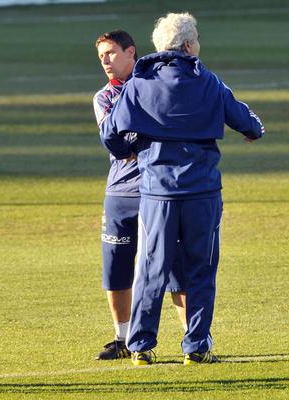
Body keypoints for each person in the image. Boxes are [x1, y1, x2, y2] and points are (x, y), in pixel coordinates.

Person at [101, 13, 264, 365]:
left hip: (156, 191)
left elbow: (110, 132)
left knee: (150, 268)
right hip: (202, 190)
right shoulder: (208, 80)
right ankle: (197, 346)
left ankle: (141, 346)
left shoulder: (139, 82)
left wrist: (129, 151)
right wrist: (254, 131)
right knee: (200, 270)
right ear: (189, 45)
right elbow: (247, 123)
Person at [93, 30, 188, 360]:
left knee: (176, 270)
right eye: (101, 56)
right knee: (116, 268)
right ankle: (122, 339)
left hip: (160, 190)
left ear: (131, 52)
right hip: (120, 193)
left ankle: (193, 341)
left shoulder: (155, 86)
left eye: (111, 53)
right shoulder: (104, 97)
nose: (105, 60)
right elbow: (121, 144)